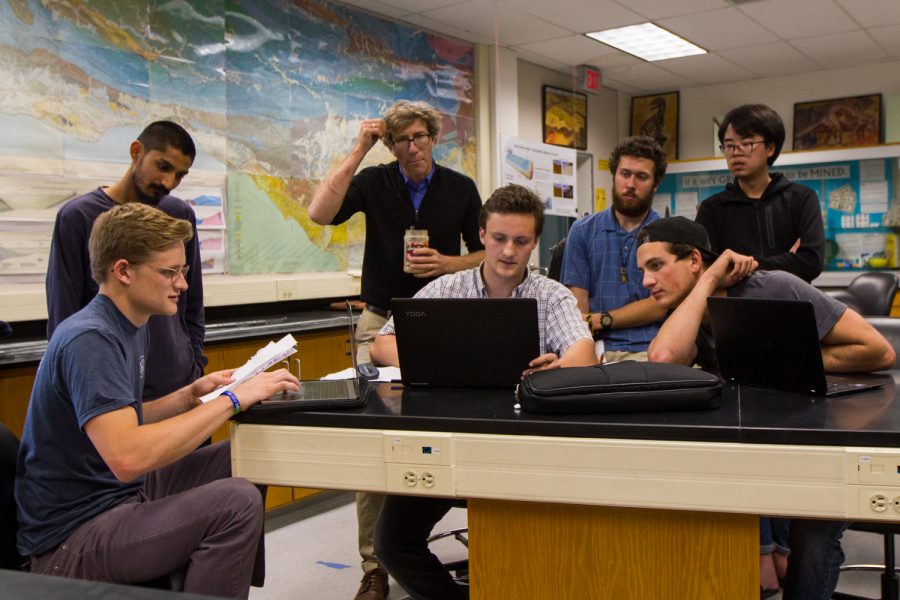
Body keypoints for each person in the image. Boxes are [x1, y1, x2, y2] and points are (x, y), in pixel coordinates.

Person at [15, 203, 300, 598]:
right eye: (169, 272)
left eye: (181, 271)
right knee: (236, 502)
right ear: (123, 271)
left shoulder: (133, 324)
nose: (182, 285)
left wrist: (187, 398)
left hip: (115, 493)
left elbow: (116, 420)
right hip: (71, 537)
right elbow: (128, 457)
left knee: (246, 453)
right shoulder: (90, 339)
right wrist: (232, 400)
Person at [635, 216, 894, 600]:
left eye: (656, 266)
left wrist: (783, 356)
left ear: (693, 259)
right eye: (642, 270)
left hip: (830, 441)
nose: (646, 282)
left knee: (814, 534)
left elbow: (879, 350)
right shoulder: (696, 313)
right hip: (771, 446)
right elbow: (663, 360)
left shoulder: (772, 287)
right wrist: (707, 281)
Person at [370, 184, 597, 600]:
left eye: (521, 241)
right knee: (391, 545)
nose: (509, 251)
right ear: (481, 236)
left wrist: (559, 367)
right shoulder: (446, 289)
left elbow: (584, 354)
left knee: (532, 549)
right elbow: (382, 343)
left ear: (534, 243)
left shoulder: (551, 295)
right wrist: (432, 358)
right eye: (499, 238)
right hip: (446, 442)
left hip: (525, 448)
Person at [308, 100, 484, 600]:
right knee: (375, 438)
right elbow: (320, 213)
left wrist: (449, 263)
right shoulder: (374, 181)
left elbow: (486, 252)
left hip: (441, 319)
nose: (413, 147)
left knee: (449, 424)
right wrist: (358, 149)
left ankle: (425, 539)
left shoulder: (460, 188)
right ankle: (375, 564)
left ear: (433, 138)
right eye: (401, 139)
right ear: (390, 145)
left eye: (420, 137)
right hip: (380, 318)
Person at [46, 120, 206, 401]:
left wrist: (194, 364)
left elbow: (191, 300)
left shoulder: (179, 214)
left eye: (180, 175)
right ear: (136, 152)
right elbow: (63, 310)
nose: (169, 183)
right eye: (163, 166)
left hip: (179, 382)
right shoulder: (78, 216)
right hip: (112, 384)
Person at [561, 136, 668, 361]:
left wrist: (603, 319)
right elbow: (579, 311)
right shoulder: (583, 231)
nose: (630, 184)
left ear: (656, 184)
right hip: (597, 349)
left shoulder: (667, 234)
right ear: (614, 175)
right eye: (625, 174)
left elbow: (660, 305)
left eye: (641, 177)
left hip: (652, 349)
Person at [695, 104, 825, 283]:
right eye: (729, 146)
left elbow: (811, 263)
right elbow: (706, 270)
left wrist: (742, 265)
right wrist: (787, 260)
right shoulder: (712, 208)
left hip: (792, 304)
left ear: (770, 148)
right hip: (734, 308)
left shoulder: (801, 198)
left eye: (747, 144)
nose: (736, 152)